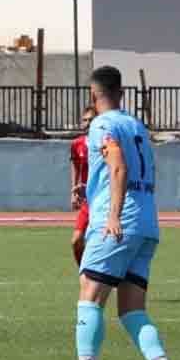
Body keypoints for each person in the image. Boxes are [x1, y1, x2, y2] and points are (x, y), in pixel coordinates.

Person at [49, 66, 180, 360]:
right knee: (132, 310)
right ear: (121, 92)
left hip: (118, 222)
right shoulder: (136, 125)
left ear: (93, 95)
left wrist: (111, 214)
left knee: (89, 298)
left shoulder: (101, 125)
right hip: (147, 222)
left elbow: (118, 166)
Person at [69, 106, 97, 265]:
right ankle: (84, 271)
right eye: (85, 120)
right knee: (76, 241)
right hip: (88, 200)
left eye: (91, 120)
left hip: (103, 200)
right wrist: (73, 191)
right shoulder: (77, 144)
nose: (87, 123)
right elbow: (75, 165)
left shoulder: (106, 143)